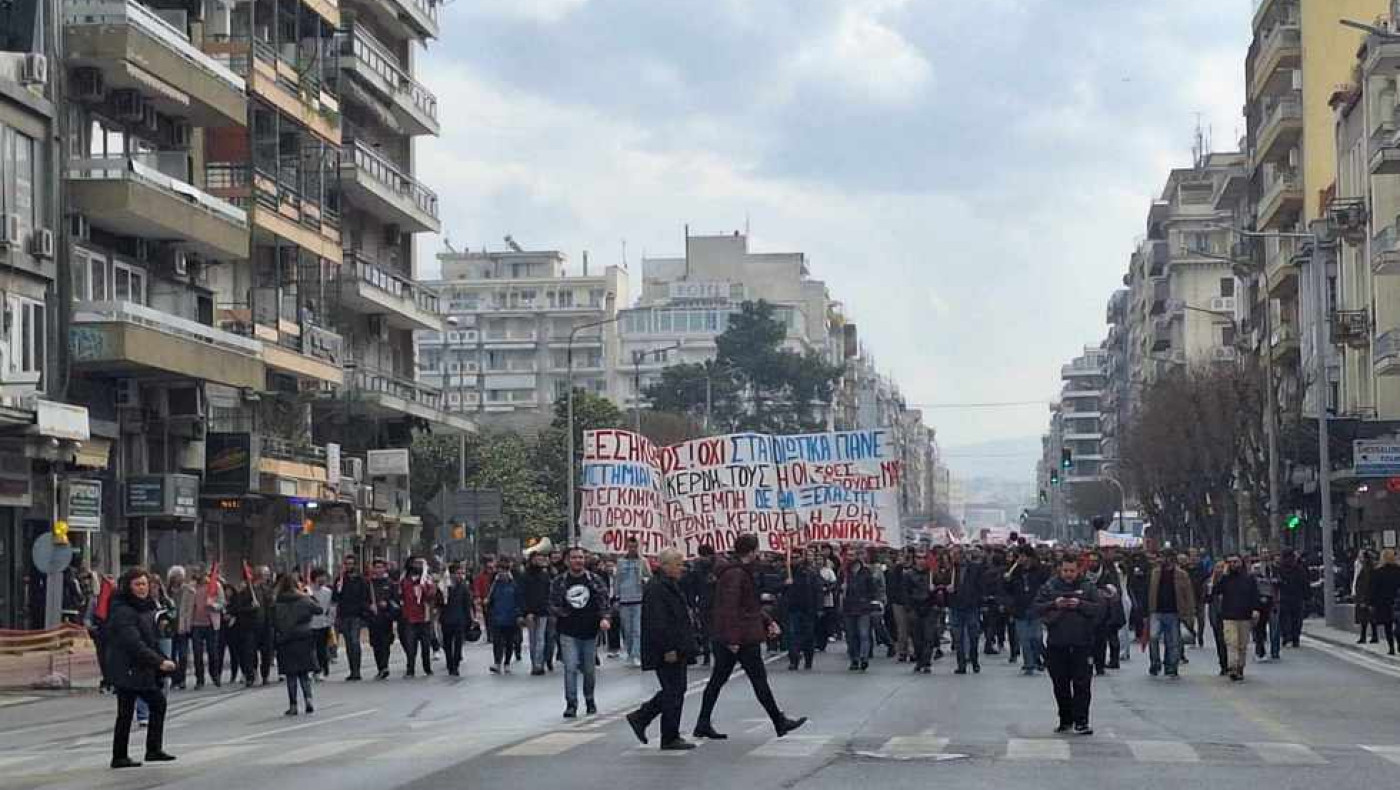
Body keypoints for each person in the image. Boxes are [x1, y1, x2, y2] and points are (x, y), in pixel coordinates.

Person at [692, 534, 808, 741]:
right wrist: (733, 639)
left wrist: (767, 620)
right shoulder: (736, 574)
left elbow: (748, 605)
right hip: (740, 638)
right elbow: (730, 607)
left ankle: (703, 722)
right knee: (757, 680)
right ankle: (779, 721)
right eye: (757, 550)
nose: (759, 554)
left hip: (734, 635)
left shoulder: (738, 572)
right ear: (752, 551)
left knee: (719, 680)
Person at [625, 548, 697, 751]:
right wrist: (669, 648)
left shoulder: (670, 585)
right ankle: (655, 726)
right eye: (677, 564)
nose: (681, 568)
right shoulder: (657, 588)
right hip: (667, 649)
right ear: (665, 566)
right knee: (673, 690)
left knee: (675, 690)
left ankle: (649, 722)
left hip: (677, 646)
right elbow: (658, 622)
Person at [107, 568, 177, 769]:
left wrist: (162, 660)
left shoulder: (144, 608)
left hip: (140, 667)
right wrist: (158, 662)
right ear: (128, 587)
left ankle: (146, 751)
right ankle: (125, 755)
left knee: (141, 708)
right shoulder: (123, 610)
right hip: (128, 667)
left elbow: (150, 640)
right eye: (137, 584)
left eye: (144, 584)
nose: (142, 588)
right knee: (140, 708)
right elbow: (133, 643)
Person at [1034, 556, 1103, 736]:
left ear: (1078, 570)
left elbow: (1099, 609)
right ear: (1060, 569)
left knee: (1082, 684)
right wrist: (1054, 604)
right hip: (1057, 643)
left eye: (1072, 571)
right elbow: (1037, 607)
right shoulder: (1050, 586)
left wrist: (1080, 605)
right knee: (1060, 684)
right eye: (1065, 571)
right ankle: (1065, 719)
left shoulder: (1088, 586)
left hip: (1082, 643)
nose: (1068, 574)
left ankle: (1081, 721)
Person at [549, 547, 612, 717]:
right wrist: (563, 612)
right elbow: (553, 604)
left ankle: (589, 698)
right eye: (574, 558)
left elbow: (604, 601)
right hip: (568, 631)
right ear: (568, 561)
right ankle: (571, 703)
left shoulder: (594, 580)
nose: (578, 561)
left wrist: (605, 618)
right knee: (570, 667)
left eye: (581, 557)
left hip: (590, 632)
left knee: (589, 670)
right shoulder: (559, 582)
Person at [272, 573, 321, 715]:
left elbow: (273, 621)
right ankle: (308, 700)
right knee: (304, 673)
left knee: (291, 675)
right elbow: (319, 609)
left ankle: (293, 705)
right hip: (303, 637)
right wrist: (309, 595)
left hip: (286, 640)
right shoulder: (304, 600)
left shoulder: (277, 602)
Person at [1147, 550, 1194, 678]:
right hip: (1156, 611)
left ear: (1171, 559)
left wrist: (1189, 614)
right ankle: (1155, 663)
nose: (1161, 560)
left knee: (1172, 641)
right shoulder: (1155, 573)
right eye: (1161, 557)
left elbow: (1188, 595)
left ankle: (1171, 666)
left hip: (1174, 612)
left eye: (1164, 557)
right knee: (1153, 637)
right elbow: (1150, 592)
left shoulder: (1182, 575)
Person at [1213, 555, 1261, 681]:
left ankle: (1240, 667)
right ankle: (1232, 667)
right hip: (1229, 616)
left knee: (1242, 644)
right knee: (1231, 642)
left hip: (1245, 616)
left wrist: (1255, 610)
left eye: (1236, 562)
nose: (1233, 564)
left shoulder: (1249, 578)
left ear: (1241, 563)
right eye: (1230, 562)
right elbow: (1215, 591)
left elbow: (1255, 595)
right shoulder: (1225, 579)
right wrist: (1222, 576)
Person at [1005, 545, 1049, 675]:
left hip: (1035, 607)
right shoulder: (1014, 571)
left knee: (1036, 637)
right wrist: (1007, 581)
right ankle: (1029, 663)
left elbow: (1046, 585)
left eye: (1023, 556)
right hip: (1020, 608)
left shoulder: (1040, 570)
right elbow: (1008, 590)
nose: (1021, 559)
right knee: (1024, 638)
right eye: (1019, 556)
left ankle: (1040, 658)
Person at [614, 537, 652, 668]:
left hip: (639, 599)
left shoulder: (643, 561)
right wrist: (616, 597)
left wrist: (644, 580)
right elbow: (617, 580)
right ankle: (630, 652)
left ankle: (636, 655)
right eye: (630, 546)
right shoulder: (620, 562)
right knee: (627, 630)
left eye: (635, 547)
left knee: (637, 629)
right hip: (624, 600)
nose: (632, 549)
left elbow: (649, 577)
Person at [332, 554, 372, 681]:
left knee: (355, 641)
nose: (349, 566)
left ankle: (357, 670)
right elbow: (335, 597)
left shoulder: (361, 580)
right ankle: (352, 670)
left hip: (356, 615)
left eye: (351, 564)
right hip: (344, 615)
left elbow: (365, 596)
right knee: (349, 643)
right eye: (347, 564)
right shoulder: (340, 579)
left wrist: (364, 611)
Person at [948, 547, 987, 674]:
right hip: (955, 606)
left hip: (971, 606)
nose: (953, 558)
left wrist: (980, 602)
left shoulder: (975, 568)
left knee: (973, 635)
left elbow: (981, 586)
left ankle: (974, 660)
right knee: (958, 637)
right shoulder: (951, 569)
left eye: (955, 555)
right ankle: (961, 664)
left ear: (961, 555)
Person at [904, 549, 942, 674]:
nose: (921, 561)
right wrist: (909, 608)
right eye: (918, 558)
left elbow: (940, 591)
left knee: (929, 636)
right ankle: (919, 660)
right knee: (917, 637)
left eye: (923, 558)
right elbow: (906, 592)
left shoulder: (933, 574)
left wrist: (936, 592)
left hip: (930, 608)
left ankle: (926, 662)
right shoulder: (909, 575)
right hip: (915, 608)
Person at [784, 548, 822, 671]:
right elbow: (777, 588)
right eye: (792, 557)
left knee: (808, 636)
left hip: (808, 609)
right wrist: (785, 584)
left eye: (797, 557)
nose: (794, 560)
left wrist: (819, 608)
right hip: (792, 608)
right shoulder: (786, 572)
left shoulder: (810, 572)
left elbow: (818, 590)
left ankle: (808, 658)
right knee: (792, 635)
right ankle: (794, 660)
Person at [841, 552, 879, 671]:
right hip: (849, 608)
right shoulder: (845, 573)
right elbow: (838, 588)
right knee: (851, 635)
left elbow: (872, 589)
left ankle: (864, 657)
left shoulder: (866, 572)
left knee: (863, 634)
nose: (850, 558)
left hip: (863, 608)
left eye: (852, 555)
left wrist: (869, 601)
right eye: (849, 555)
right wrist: (841, 588)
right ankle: (854, 659)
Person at [400, 557, 437, 677]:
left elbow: (431, 595)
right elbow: (400, 596)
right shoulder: (405, 581)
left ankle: (427, 668)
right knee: (410, 646)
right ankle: (410, 669)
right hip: (410, 618)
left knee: (425, 646)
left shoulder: (427, 580)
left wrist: (423, 585)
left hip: (424, 618)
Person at [518, 551, 553, 675]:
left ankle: (539, 663)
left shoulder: (545, 575)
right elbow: (521, 594)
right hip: (530, 613)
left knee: (540, 638)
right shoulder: (524, 576)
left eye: (540, 559)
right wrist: (525, 612)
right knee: (533, 639)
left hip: (543, 611)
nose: (539, 561)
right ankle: (535, 664)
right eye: (537, 559)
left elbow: (548, 593)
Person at [684, 544, 718, 666]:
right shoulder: (697, 568)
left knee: (713, 630)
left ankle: (714, 654)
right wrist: (693, 603)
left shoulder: (717, 567)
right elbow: (691, 587)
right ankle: (708, 655)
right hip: (705, 602)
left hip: (713, 602)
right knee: (706, 630)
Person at [440, 563, 475, 676]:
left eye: (462, 573)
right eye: (458, 573)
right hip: (446, 619)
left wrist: (469, 620)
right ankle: (450, 663)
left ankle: (456, 664)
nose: (460, 576)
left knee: (458, 644)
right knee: (447, 644)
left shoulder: (464, 587)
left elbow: (467, 605)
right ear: (451, 574)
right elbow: (438, 602)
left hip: (460, 620)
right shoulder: (444, 587)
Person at [486, 562, 521, 674]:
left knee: (509, 642)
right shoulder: (495, 585)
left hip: (511, 618)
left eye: (504, 571)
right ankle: (497, 662)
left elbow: (518, 599)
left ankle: (507, 663)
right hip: (497, 618)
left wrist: (518, 614)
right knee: (497, 642)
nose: (502, 574)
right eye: (500, 571)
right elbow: (490, 599)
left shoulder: (514, 584)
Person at [367, 559, 399, 680]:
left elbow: (395, 600)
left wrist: (387, 605)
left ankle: (385, 666)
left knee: (385, 644)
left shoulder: (390, 583)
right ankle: (380, 667)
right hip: (373, 619)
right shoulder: (369, 584)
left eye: (381, 567)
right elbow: (364, 600)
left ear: (385, 569)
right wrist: (369, 606)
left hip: (386, 619)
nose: (379, 570)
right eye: (377, 567)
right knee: (376, 645)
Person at [1368, 548, 1400, 655]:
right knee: (1398, 624)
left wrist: (1371, 603)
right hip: (1397, 601)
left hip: (1383, 603)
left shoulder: (1378, 572)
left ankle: (1391, 647)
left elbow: (1373, 589)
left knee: (1388, 626)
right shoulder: (1398, 570)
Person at [1277, 549, 1309, 649]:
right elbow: (1305, 583)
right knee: (1297, 619)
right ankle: (1295, 639)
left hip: (1284, 598)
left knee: (1285, 619)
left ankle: (1288, 638)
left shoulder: (1280, 569)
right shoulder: (1299, 569)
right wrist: (1307, 596)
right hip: (1297, 598)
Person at [307, 569, 334, 679]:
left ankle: (323, 667)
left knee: (322, 647)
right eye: (320, 577)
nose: (322, 579)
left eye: (324, 577)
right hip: (310, 624)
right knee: (311, 648)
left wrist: (330, 620)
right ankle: (314, 668)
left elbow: (330, 608)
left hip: (324, 623)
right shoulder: (308, 591)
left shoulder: (328, 592)